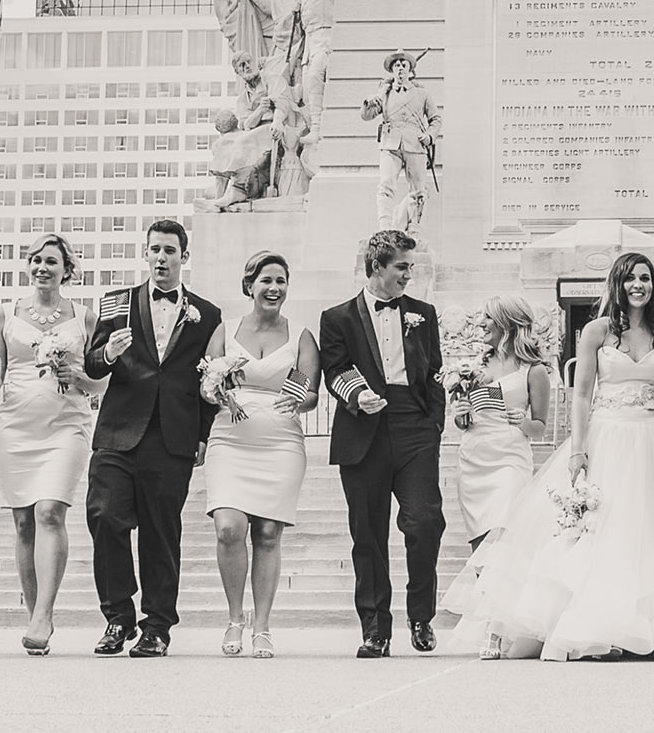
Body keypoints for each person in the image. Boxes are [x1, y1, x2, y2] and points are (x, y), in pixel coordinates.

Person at [441, 253, 654, 660]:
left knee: (652, 531)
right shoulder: (596, 331)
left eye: (645, 278)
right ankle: (599, 629)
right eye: (630, 279)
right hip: (606, 436)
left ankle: (652, 627)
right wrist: (578, 449)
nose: (638, 285)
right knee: (601, 532)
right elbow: (581, 393)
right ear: (618, 283)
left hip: (651, 439)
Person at [82, 218, 224, 658]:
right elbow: (92, 366)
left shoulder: (208, 314)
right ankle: (118, 616)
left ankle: (157, 626)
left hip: (173, 438)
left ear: (184, 255)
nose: (161, 258)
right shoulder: (116, 303)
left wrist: (202, 435)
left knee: (162, 534)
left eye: (169, 250)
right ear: (146, 254)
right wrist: (108, 352)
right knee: (104, 516)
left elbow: (209, 382)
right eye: (154, 250)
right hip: (118, 433)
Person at [319, 229, 447, 656]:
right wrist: (358, 396)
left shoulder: (423, 313)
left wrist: (434, 426)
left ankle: (421, 617)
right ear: (377, 267)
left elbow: (434, 375)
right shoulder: (336, 318)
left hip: (414, 427)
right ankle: (375, 629)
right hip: (363, 431)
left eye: (411, 267)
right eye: (402, 267)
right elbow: (334, 370)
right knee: (368, 534)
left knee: (425, 521)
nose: (409, 275)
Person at [0, 234, 101, 655]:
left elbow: (102, 381)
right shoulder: (4, 314)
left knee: (50, 511)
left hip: (67, 423)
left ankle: (45, 615)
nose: (42, 267)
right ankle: (35, 616)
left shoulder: (85, 316)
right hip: (17, 425)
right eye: (35, 260)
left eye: (51, 261)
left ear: (67, 269)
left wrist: (79, 378)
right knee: (24, 522)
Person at [200, 251, 318, 660]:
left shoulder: (301, 335)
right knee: (229, 528)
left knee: (268, 533)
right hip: (230, 440)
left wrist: (298, 402)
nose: (274, 288)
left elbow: (309, 389)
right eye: (266, 280)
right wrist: (219, 392)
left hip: (281, 442)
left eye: (281, 281)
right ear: (250, 285)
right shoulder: (226, 330)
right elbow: (205, 383)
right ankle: (235, 617)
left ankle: (262, 625)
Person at [453, 297, 552, 560]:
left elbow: (540, 427)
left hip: (509, 460)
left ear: (506, 324)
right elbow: (467, 420)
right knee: (479, 545)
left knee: (505, 538)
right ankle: (484, 599)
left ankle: (504, 598)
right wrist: (461, 415)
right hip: (473, 459)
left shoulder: (534, 370)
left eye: (488, 317)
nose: (481, 322)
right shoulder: (476, 366)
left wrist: (523, 422)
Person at [361, 52, 438, 233]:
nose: (401, 68)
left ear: (411, 70)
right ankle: (385, 227)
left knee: (418, 191)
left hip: (416, 145)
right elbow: (367, 116)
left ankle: (414, 230)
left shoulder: (422, 94)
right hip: (390, 144)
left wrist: (429, 136)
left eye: (404, 65)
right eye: (396, 65)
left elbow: (436, 119)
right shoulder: (385, 94)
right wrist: (373, 98)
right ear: (392, 70)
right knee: (386, 186)